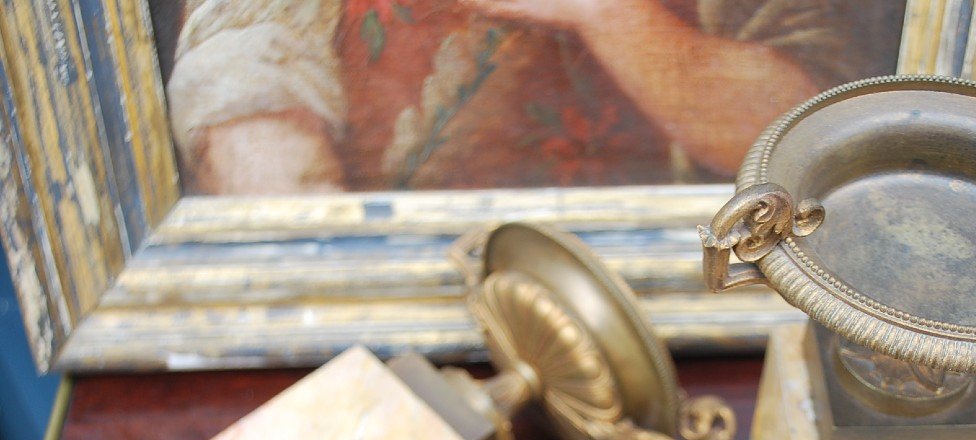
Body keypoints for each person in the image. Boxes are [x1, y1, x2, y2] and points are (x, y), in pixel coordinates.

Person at [167, 0, 904, 194]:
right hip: (379, 285)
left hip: (655, 298)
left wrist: (611, 14)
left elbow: (814, 141)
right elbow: (240, 66)